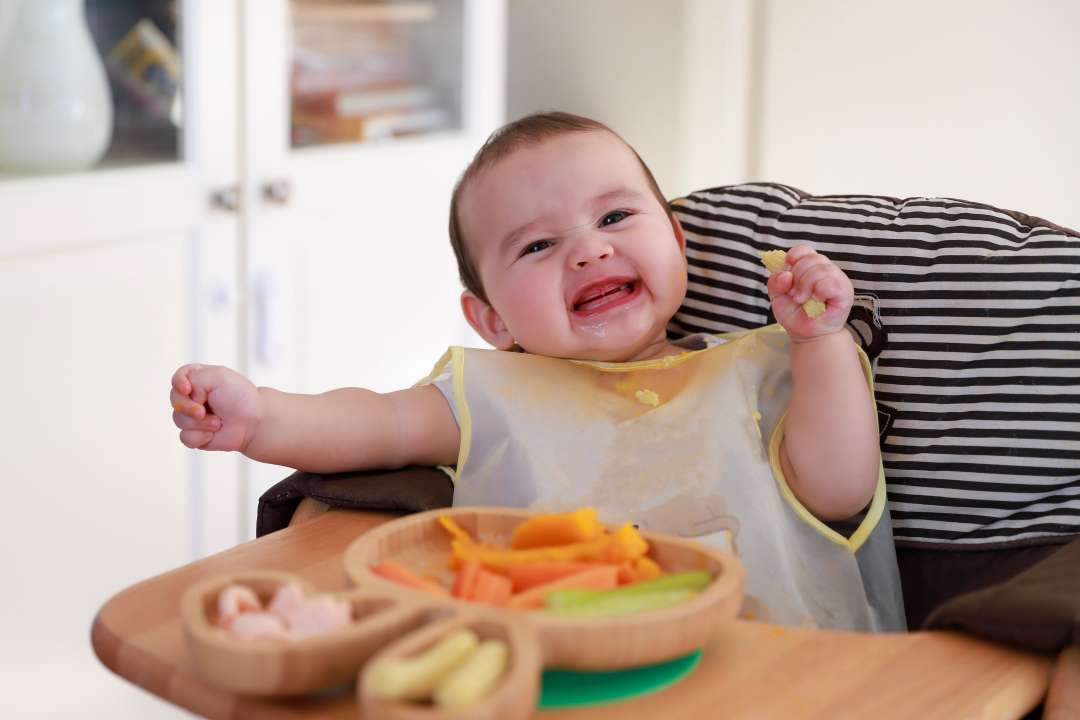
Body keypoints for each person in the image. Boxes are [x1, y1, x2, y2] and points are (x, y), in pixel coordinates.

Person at [170, 112, 905, 631]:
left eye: (615, 219)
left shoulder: (765, 367)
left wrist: (820, 341)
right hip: (559, 678)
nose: (587, 252)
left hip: (788, 673)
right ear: (491, 320)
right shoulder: (488, 394)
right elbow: (374, 421)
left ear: (678, 243)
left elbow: (839, 488)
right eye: (536, 246)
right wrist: (263, 415)